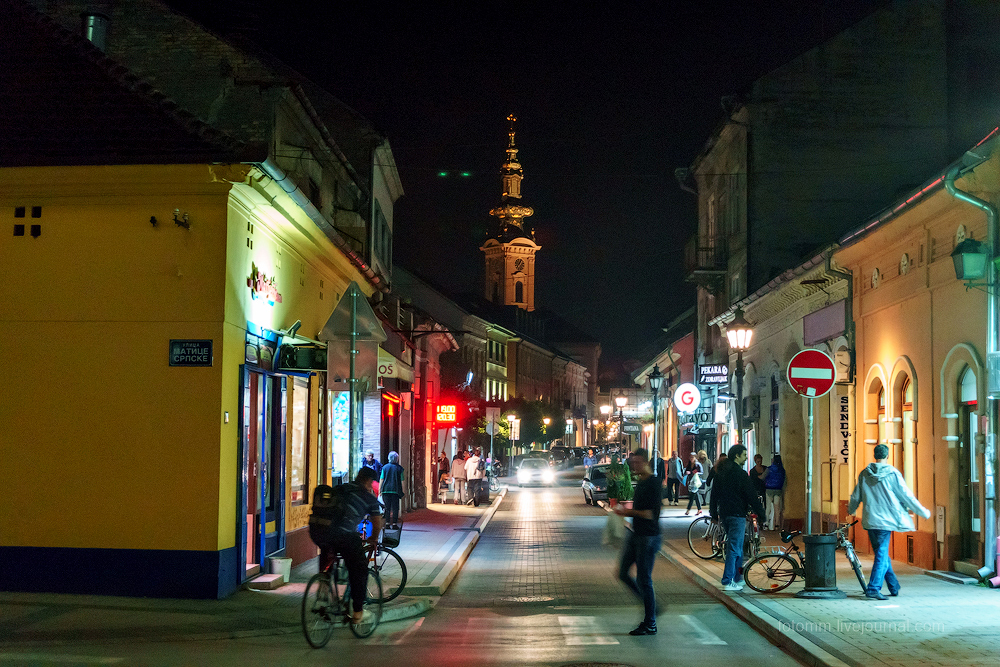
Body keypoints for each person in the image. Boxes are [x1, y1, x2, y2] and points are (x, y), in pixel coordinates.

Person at [848, 443, 931, 600]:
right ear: (887, 456)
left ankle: (893, 586)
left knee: (882, 554)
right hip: (886, 521)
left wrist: (850, 510)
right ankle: (873, 588)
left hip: (870, 520)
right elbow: (906, 495)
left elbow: (855, 496)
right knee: (881, 554)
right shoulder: (893, 474)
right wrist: (922, 512)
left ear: (875, 455)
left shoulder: (864, 474)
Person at [313, 467, 382, 624]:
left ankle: (324, 583)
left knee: (328, 549)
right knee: (359, 568)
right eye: (372, 483)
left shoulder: (341, 488)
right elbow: (377, 522)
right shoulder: (368, 497)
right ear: (368, 481)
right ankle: (358, 613)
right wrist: (373, 538)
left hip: (321, 531)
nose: (372, 486)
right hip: (345, 536)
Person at [614, 449, 661, 635]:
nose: (634, 466)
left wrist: (628, 512)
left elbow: (651, 514)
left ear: (646, 462)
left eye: (638, 462)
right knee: (623, 573)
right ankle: (651, 608)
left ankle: (650, 622)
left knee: (644, 580)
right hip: (636, 534)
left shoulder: (654, 483)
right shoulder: (640, 482)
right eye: (633, 463)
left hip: (648, 537)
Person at [710, 444, 766, 591]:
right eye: (744, 454)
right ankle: (728, 580)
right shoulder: (741, 475)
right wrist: (761, 513)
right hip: (737, 515)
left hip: (725, 514)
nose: (747, 457)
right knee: (734, 548)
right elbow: (751, 496)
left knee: (738, 547)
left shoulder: (720, 472)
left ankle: (737, 577)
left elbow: (714, 494)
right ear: (737, 456)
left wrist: (713, 513)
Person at [379, 451, 404, 528]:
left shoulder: (385, 467)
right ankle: (394, 524)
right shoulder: (400, 468)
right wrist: (403, 490)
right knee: (395, 507)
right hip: (395, 490)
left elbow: (381, 479)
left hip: (386, 490)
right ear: (397, 459)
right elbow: (402, 480)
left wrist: (380, 489)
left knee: (387, 507)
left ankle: (387, 523)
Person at [763, 455, 786, 530]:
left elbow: (763, 477)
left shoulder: (769, 469)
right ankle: (777, 525)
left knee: (768, 508)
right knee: (777, 509)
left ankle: (766, 524)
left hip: (769, 490)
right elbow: (784, 480)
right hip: (778, 490)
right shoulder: (782, 470)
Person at [684, 451, 704, 516]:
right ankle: (699, 509)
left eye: (692, 457)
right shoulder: (689, 464)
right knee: (696, 495)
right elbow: (686, 471)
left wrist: (696, 473)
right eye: (690, 457)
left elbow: (701, 472)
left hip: (696, 482)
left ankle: (688, 510)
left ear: (695, 457)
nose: (691, 459)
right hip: (691, 481)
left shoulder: (698, 464)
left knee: (692, 495)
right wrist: (687, 473)